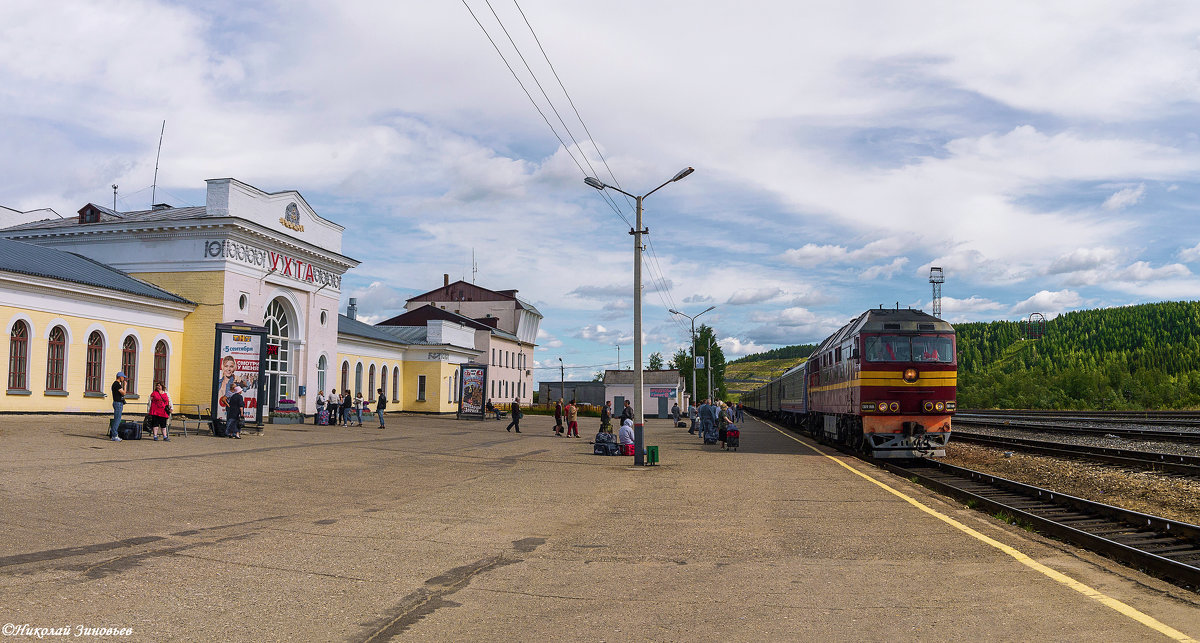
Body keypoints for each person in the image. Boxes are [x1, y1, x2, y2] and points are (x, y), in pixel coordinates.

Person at [109, 371, 127, 441]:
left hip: (117, 402)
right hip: (118, 403)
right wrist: (125, 386)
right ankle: (114, 435)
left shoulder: (116, 384)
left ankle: (114, 433)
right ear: (120, 377)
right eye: (123, 377)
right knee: (117, 419)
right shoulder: (117, 384)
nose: (124, 379)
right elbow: (123, 393)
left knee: (117, 418)